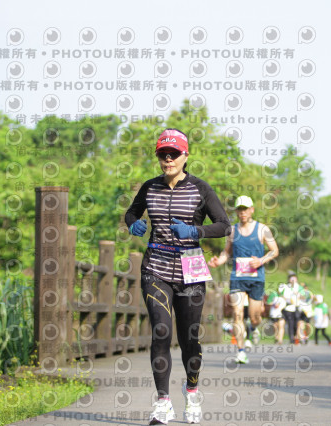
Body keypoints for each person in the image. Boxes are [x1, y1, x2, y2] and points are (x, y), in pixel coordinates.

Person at [125, 128, 231, 425]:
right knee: (161, 330)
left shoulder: (200, 188)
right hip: (156, 267)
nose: (168, 159)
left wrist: (195, 231)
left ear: (186, 155)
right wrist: (133, 223)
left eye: (174, 154)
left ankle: (192, 391)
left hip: (190, 268)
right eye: (163, 154)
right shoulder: (150, 187)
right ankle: (163, 402)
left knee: (189, 338)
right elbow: (131, 213)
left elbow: (224, 225)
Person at [208, 195, 279, 364]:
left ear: (251, 210)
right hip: (237, 278)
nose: (242, 212)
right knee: (237, 314)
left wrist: (260, 260)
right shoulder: (232, 231)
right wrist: (219, 261)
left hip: (256, 279)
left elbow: (274, 250)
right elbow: (227, 252)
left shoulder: (262, 229)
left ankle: (253, 328)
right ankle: (241, 352)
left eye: (245, 209)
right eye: (239, 209)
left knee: (255, 317)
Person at [280, 271, 303, 345]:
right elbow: (282, 296)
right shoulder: (286, 287)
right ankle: (291, 339)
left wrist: (298, 295)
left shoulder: (299, 287)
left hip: (297, 308)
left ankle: (297, 337)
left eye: (294, 278)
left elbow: (303, 296)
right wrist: (288, 299)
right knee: (290, 324)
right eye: (291, 278)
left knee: (297, 324)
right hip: (289, 308)